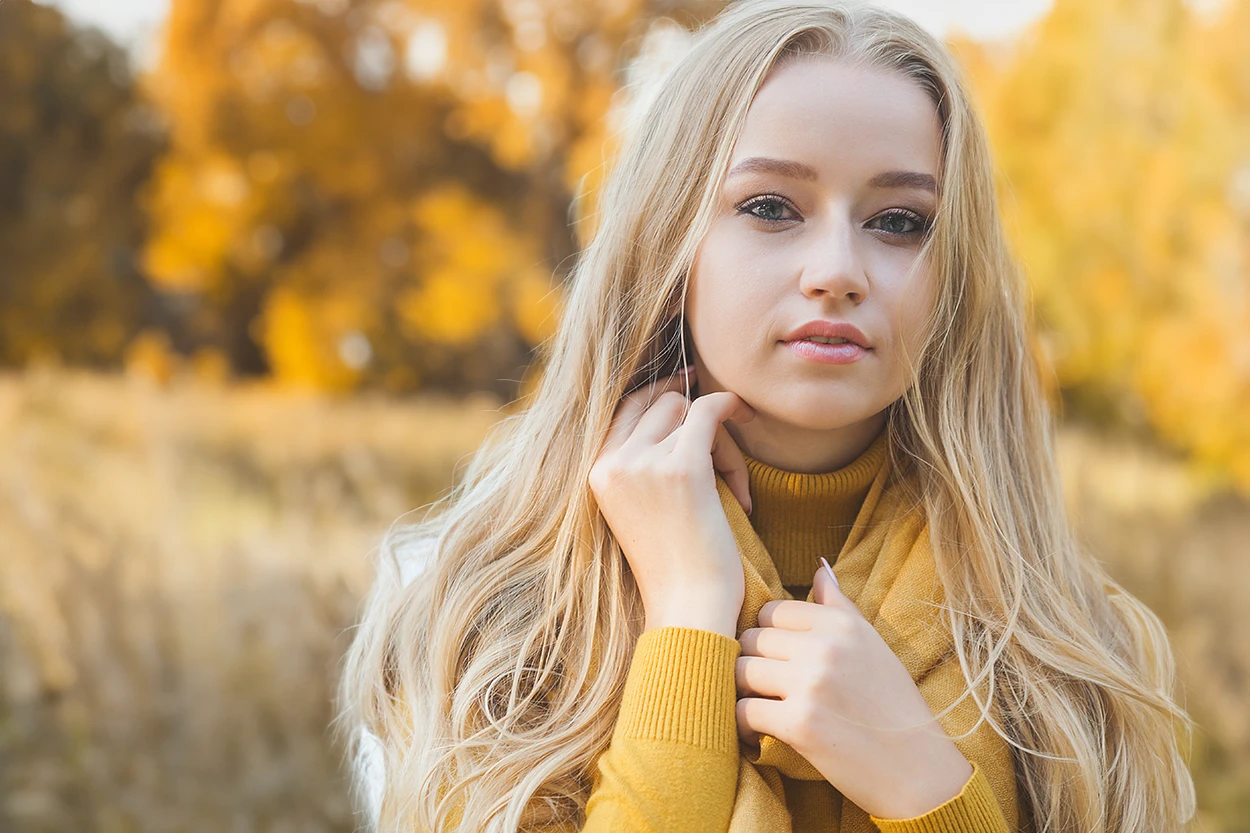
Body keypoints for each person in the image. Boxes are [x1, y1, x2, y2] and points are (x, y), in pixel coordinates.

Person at [336, 1, 1197, 831]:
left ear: (952, 279)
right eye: (771, 207)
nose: (837, 269)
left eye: (899, 221)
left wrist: (920, 780)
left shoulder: (1069, 648)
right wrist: (686, 617)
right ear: (670, 241)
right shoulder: (472, 610)